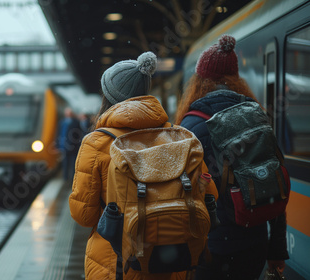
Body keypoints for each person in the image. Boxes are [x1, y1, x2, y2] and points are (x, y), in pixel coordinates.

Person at [69, 52, 217, 280]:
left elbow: (84, 215)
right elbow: (209, 196)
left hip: (116, 264)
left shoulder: (96, 143)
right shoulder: (180, 139)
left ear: (108, 97)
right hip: (170, 261)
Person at [174, 34, 289, 280]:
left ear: (199, 81)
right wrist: (277, 249)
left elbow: (182, 193)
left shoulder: (191, 124)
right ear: (236, 78)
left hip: (211, 249)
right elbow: (273, 179)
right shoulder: (257, 116)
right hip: (255, 243)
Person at [57, 107, 82, 182]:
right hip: (64, 146)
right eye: (67, 112)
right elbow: (58, 133)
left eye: (69, 112)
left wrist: (77, 144)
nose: (68, 114)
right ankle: (65, 178)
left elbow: (78, 134)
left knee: (73, 162)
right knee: (65, 162)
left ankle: (72, 178)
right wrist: (58, 144)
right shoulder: (61, 122)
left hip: (73, 146)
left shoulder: (76, 122)